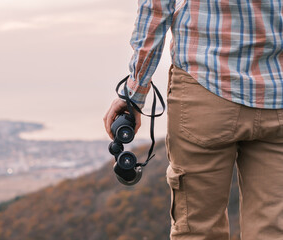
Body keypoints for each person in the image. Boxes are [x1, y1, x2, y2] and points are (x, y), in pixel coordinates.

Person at [103, 0, 283, 239]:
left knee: (197, 229)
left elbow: (156, 7)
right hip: (277, 94)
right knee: (273, 230)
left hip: (205, 87)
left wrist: (135, 92)